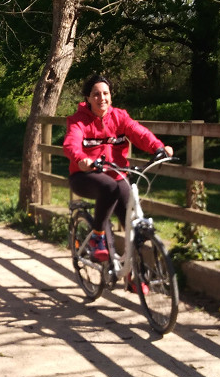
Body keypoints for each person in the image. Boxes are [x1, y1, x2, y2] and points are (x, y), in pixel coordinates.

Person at [62, 74, 173, 262]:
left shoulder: (119, 117)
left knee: (132, 226)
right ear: (88, 98)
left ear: (111, 96)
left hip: (118, 175)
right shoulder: (78, 120)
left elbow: (139, 133)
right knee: (109, 187)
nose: (102, 98)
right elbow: (71, 143)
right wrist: (82, 159)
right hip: (84, 175)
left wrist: (159, 148)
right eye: (96, 94)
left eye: (106, 93)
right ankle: (97, 237)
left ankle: (133, 274)